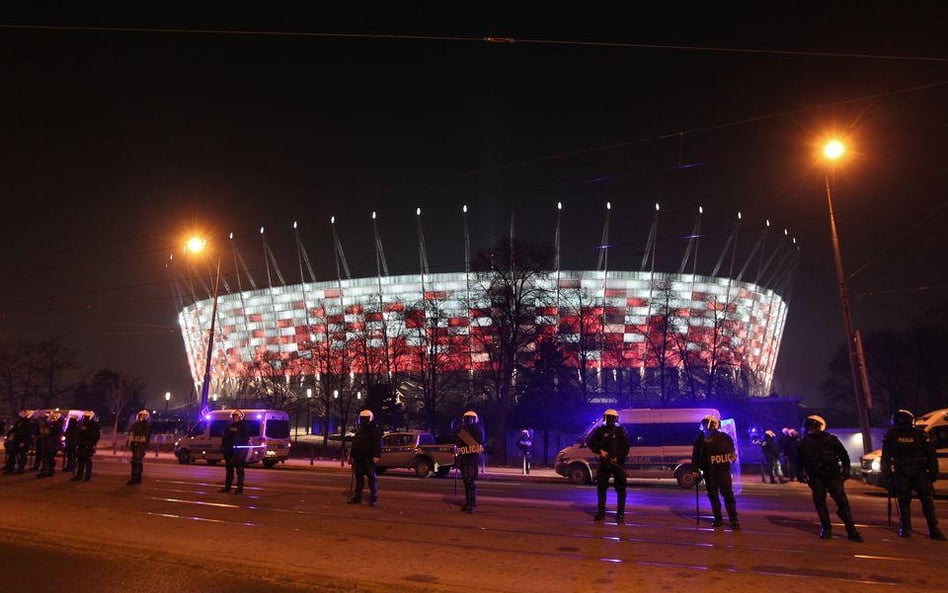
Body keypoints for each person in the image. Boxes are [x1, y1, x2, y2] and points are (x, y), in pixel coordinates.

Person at [795, 415, 862, 542]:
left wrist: (846, 469)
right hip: (817, 476)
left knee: (840, 502)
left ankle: (850, 530)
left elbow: (843, 455)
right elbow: (800, 460)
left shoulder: (830, 439)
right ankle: (828, 529)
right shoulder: (805, 441)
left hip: (832, 475)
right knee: (823, 501)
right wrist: (799, 472)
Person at [882, 409, 945, 540]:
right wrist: (934, 472)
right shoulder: (919, 434)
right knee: (925, 501)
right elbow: (931, 455)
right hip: (917, 472)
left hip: (908, 472)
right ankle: (931, 529)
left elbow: (886, 457)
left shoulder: (892, 435)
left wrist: (887, 474)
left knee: (906, 501)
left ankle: (907, 529)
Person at [691, 415, 740, 530]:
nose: (703, 427)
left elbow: (732, 453)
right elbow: (696, 454)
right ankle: (727, 520)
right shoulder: (704, 438)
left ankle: (726, 520)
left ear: (710, 425)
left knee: (722, 496)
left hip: (718, 472)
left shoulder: (718, 438)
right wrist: (695, 469)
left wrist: (695, 469)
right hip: (715, 472)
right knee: (720, 496)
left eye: (704, 424)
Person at [588, 409, 630, 523]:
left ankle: (620, 514)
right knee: (601, 488)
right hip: (604, 463)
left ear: (616, 419)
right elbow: (590, 443)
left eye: (612, 417)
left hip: (617, 464)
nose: (610, 420)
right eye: (608, 417)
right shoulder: (600, 430)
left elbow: (626, 448)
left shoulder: (620, 431)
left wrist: (618, 457)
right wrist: (600, 451)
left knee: (621, 489)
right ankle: (601, 513)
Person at [347, 409, 383, 506]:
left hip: (369, 459)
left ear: (369, 419)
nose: (363, 420)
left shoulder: (374, 430)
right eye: (362, 419)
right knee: (359, 478)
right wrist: (352, 456)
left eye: (364, 419)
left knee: (371, 478)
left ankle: (373, 498)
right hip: (359, 458)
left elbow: (378, 444)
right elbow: (355, 444)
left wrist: (376, 456)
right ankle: (357, 496)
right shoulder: (360, 430)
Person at [454, 410, 485, 513]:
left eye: (471, 419)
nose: (469, 421)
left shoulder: (478, 430)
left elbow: (477, 446)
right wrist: (456, 450)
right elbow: (459, 444)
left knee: (470, 482)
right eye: (467, 419)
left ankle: (472, 504)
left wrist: (463, 443)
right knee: (466, 482)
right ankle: (468, 503)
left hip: (472, 459)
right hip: (464, 458)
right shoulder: (462, 430)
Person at [220, 409, 250, 494]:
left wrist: (238, 444)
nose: (235, 418)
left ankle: (239, 488)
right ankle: (227, 487)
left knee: (239, 470)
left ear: (240, 417)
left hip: (239, 452)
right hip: (229, 451)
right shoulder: (229, 426)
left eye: (237, 416)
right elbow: (225, 437)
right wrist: (223, 447)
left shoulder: (243, 427)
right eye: (234, 416)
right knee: (229, 470)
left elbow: (246, 438)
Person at [125, 409, 153, 485]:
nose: (141, 417)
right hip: (136, 445)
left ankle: (135, 478)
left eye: (142, 416)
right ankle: (137, 478)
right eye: (140, 415)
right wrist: (129, 442)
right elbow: (131, 433)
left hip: (140, 446)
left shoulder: (146, 425)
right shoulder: (136, 424)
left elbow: (144, 437)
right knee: (136, 462)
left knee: (136, 462)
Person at [72, 411, 101, 482]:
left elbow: (95, 436)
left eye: (86, 417)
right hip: (81, 444)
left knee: (87, 461)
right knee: (80, 460)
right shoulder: (82, 424)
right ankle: (79, 475)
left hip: (88, 445)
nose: (84, 418)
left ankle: (88, 476)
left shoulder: (93, 425)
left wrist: (91, 444)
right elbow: (78, 434)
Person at [3, 410, 35, 474]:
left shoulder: (29, 422)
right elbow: (14, 429)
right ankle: (10, 468)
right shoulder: (20, 421)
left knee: (22, 455)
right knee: (12, 454)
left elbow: (28, 433)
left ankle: (21, 469)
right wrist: (8, 435)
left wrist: (24, 442)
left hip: (23, 440)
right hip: (16, 439)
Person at [36, 410, 64, 478]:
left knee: (49, 456)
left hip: (53, 442)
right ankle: (45, 471)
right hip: (47, 440)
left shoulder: (58, 423)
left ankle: (48, 471)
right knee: (45, 456)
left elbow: (53, 430)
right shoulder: (51, 422)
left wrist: (46, 423)